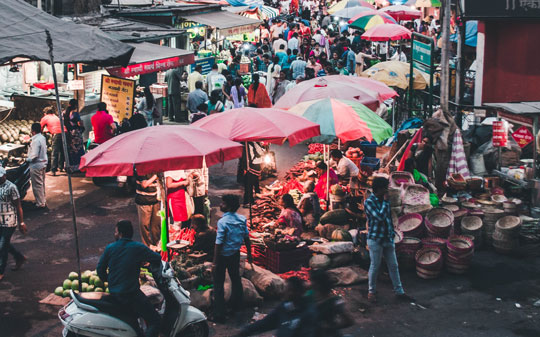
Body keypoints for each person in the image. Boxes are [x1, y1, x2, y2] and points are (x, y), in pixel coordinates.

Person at [97, 220, 161, 337]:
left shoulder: (110, 248)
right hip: (131, 294)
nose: (114, 234)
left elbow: (100, 270)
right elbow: (157, 258)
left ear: (120, 233)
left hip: (114, 293)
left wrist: (110, 280)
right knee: (155, 321)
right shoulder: (138, 247)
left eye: (115, 231)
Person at [364, 177, 413, 303]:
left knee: (394, 265)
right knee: (375, 266)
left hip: (387, 237)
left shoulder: (384, 200)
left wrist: (392, 233)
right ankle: (371, 291)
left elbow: (388, 219)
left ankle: (399, 291)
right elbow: (379, 217)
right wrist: (385, 203)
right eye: (385, 188)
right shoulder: (369, 202)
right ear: (379, 189)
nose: (387, 190)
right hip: (376, 239)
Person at [213, 194, 253, 322]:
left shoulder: (222, 222)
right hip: (235, 254)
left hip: (223, 256)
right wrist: (250, 254)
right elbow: (246, 238)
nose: (221, 205)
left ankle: (219, 314)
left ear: (228, 206)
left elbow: (218, 243)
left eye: (223, 203)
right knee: (236, 279)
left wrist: (214, 263)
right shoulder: (242, 219)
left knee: (218, 284)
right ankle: (236, 307)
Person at [236, 277, 316, 337]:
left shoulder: (308, 312)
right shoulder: (284, 308)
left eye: (289, 290)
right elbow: (266, 322)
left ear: (298, 292)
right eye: (286, 289)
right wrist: (246, 330)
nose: (285, 292)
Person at [0, 167, 26, 282]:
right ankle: (19, 257)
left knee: (2, 246)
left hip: (10, 221)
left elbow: (18, 206)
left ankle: (1, 271)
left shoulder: (11, 187)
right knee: (3, 244)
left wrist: (21, 222)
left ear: (4, 175)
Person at [310, 269, 354, 337]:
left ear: (318, 284)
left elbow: (349, 321)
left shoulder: (334, 301)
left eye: (312, 281)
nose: (310, 283)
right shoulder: (310, 294)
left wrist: (329, 327)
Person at [134, 173, 160, 248]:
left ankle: (157, 245)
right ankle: (147, 246)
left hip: (155, 200)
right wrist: (155, 176)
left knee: (156, 226)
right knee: (145, 225)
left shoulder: (155, 169)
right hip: (144, 201)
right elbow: (144, 185)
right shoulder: (140, 169)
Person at [27, 123, 48, 209]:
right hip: (43, 163)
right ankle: (43, 200)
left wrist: (27, 159)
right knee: (41, 183)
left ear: (33, 131)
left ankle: (40, 203)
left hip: (36, 165)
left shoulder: (35, 141)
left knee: (37, 185)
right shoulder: (42, 137)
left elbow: (34, 155)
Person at [40, 106, 65, 175]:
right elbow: (56, 126)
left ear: (45, 113)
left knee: (55, 152)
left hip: (57, 134)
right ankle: (61, 167)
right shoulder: (56, 117)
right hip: (64, 133)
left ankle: (53, 170)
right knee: (62, 151)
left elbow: (40, 128)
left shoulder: (45, 118)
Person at [63, 99, 85, 170]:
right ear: (75, 105)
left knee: (72, 150)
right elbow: (80, 123)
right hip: (76, 133)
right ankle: (78, 166)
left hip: (69, 132)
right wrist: (82, 127)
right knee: (78, 149)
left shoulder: (65, 113)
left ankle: (71, 166)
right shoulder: (75, 114)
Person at [240, 142, 264, 206]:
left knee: (255, 183)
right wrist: (244, 167)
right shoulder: (247, 144)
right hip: (251, 166)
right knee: (249, 185)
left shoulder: (255, 142)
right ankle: (247, 201)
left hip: (256, 165)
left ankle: (255, 197)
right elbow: (260, 153)